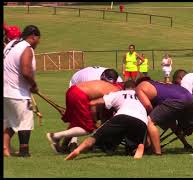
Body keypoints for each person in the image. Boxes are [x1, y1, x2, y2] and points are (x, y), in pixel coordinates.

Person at [65, 80, 148, 160]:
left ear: (123, 87)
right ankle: (136, 148)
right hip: (142, 120)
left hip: (122, 116)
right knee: (132, 145)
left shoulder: (118, 93)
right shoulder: (141, 96)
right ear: (135, 87)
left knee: (95, 137)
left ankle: (78, 149)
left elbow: (94, 103)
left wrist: (77, 110)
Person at [46, 79, 121, 154]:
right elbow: (93, 105)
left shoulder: (114, 86)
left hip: (72, 90)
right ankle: (55, 136)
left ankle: (64, 146)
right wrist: (94, 121)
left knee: (76, 123)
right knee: (88, 128)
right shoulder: (116, 93)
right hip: (80, 95)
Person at [3, 25, 41, 157]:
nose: (38, 42)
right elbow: (25, 71)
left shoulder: (12, 43)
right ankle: (24, 151)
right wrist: (33, 85)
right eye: (38, 39)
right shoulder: (27, 48)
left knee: (12, 121)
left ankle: (5, 148)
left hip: (6, 91)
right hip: (17, 92)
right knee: (25, 122)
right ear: (33, 37)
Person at [135, 77, 193, 155]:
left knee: (150, 121)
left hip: (176, 101)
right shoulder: (159, 83)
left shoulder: (140, 87)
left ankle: (157, 152)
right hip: (191, 98)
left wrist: (153, 114)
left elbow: (147, 105)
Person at [66, 68, 123, 152]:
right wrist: (95, 120)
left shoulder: (117, 82)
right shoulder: (92, 81)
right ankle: (72, 141)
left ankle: (98, 142)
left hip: (82, 91)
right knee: (82, 121)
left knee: (98, 117)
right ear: (102, 78)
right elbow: (92, 104)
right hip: (77, 84)